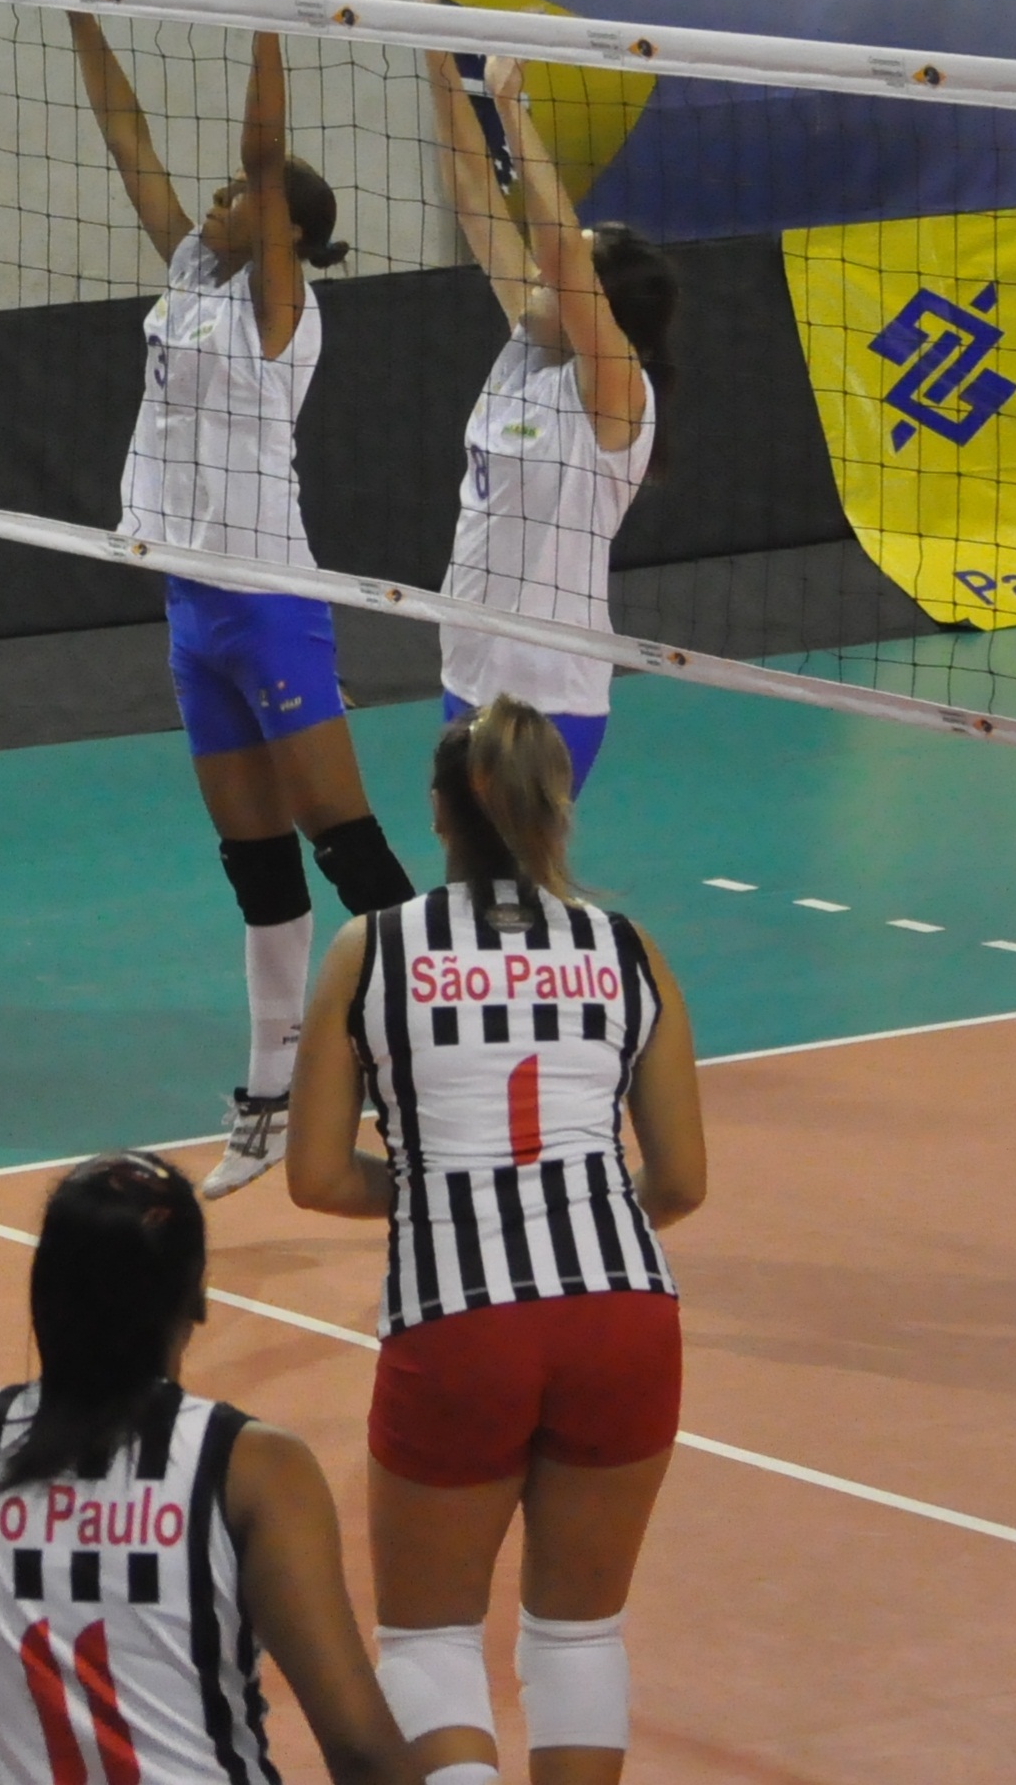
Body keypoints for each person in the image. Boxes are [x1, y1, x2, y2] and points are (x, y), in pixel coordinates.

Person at [62, 0, 418, 1204]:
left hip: (269, 604)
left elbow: (259, 162)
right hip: (189, 606)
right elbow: (126, 138)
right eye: (212, 198)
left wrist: (269, 19)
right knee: (254, 867)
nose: (208, 203)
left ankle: (411, 1058)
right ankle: (267, 1098)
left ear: (272, 227)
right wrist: (74, 9)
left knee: (346, 846)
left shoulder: (279, 301)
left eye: (231, 197)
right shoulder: (188, 274)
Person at [290, 698, 707, 1785]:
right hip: (623, 1309)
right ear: (551, 812)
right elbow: (683, 1181)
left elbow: (319, 1176)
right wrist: (569, 1204)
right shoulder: (625, 947)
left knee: (428, 1640)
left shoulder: (369, 948)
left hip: (459, 1318)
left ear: (437, 817)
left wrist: (449, 1189)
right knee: (578, 1634)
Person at [0, 1151, 423, 1785]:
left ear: (43, 1292)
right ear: (195, 1294)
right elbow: (362, 1752)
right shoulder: (252, 1468)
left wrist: (26, 1760)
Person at [421, 49, 677, 792]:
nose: (537, 270)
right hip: (467, 667)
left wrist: (511, 108)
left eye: (562, 272)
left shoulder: (613, 394)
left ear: (597, 307)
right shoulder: (528, 349)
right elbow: (471, 193)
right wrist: (437, 57)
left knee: (519, 886)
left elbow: (561, 250)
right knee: (469, 873)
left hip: (547, 690)